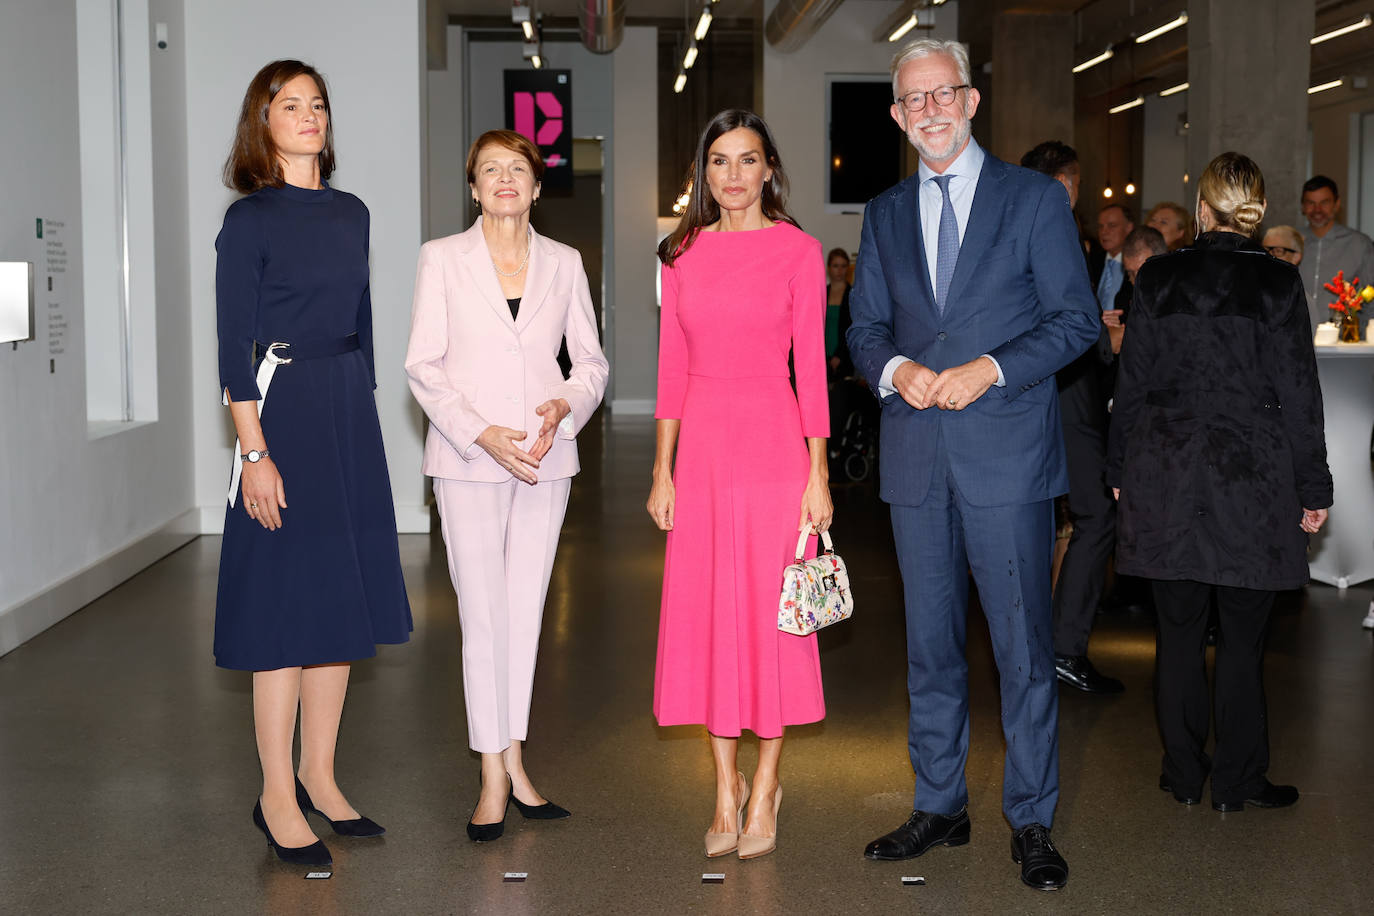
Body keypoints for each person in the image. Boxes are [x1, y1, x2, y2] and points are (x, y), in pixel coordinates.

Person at [848, 39, 1099, 891]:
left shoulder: (1032, 201)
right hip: (916, 461)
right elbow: (863, 329)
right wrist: (897, 371)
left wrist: (988, 368)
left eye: (943, 94)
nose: (931, 111)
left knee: (1024, 650)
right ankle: (940, 805)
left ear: (972, 98)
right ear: (896, 115)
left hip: (1008, 460)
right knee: (929, 650)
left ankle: (1031, 818)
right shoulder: (883, 213)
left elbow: (1075, 323)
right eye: (913, 101)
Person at [214, 59, 412, 867]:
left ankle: (321, 778)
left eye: (317, 104)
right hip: (280, 412)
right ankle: (274, 793)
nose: (308, 116)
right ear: (262, 124)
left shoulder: (354, 213)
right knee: (284, 617)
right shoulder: (250, 220)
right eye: (289, 105)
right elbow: (233, 347)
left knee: (337, 610)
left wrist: (359, 419)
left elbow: (362, 322)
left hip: (344, 416)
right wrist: (254, 452)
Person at [1107, 152, 1332, 813]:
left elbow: (1134, 383)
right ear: (1257, 209)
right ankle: (1237, 781)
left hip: (1168, 472)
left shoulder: (1158, 277)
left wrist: (1120, 470)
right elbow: (1299, 394)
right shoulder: (1277, 285)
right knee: (1242, 636)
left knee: (1176, 633)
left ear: (1202, 208)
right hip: (1251, 479)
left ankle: (1182, 773)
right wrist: (1312, 486)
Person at [405, 129, 608, 842]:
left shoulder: (565, 262)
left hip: (545, 457)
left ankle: (516, 761)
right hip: (469, 457)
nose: (502, 180)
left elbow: (591, 362)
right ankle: (490, 772)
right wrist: (479, 429)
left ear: (536, 186)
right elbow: (422, 364)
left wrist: (565, 405)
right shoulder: (443, 259)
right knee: (483, 614)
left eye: (515, 169)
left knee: (525, 613)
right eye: (489, 170)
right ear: (473, 187)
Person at [648, 109, 832, 862]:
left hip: (774, 444)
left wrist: (818, 475)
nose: (732, 175)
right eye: (718, 161)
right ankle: (724, 786)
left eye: (746, 160)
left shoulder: (799, 251)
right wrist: (662, 468)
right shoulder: (680, 253)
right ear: (704, 171)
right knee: (709, 616)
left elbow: (814, 370)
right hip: (705, 452)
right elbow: (670, 370)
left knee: (775, 616)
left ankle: (767, 787)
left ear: (768, 169)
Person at [1021, 141, 1123, 695]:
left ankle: (1038, 649)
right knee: (1095, 518)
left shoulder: (1009, 227)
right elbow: (1066, 331)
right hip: (1068, 397)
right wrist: (1105, 337)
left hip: (1032, 398)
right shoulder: (1055, 229)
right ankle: (1062, 649)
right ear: (1064, 183)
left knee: (1039, 521)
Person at [1299, 175, 1374, 331]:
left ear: (1337, 204)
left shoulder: (1360, 244)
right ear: (1303, 207)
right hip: (1296, 341)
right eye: (1310, 203)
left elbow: (1371, 299)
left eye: (1324, 202)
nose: (1317, 209)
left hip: (1345, 344)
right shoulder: (1289, 243)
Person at [826, 247, 855, 466]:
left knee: (838, 405)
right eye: (835, 265)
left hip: (844, 362)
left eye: (843, 266)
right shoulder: (821, 292)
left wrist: (838, 356)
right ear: (828, 268)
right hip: (819, 359)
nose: (839, 270)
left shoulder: (853, 295)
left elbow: (851, 331)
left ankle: (836, 450)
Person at [1092, 202, 1135, 312]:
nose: (1104, 232)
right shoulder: (1091, 261)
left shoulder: (1136, 264)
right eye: (1100, 226)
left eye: (1112, 225)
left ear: (1129, 228)